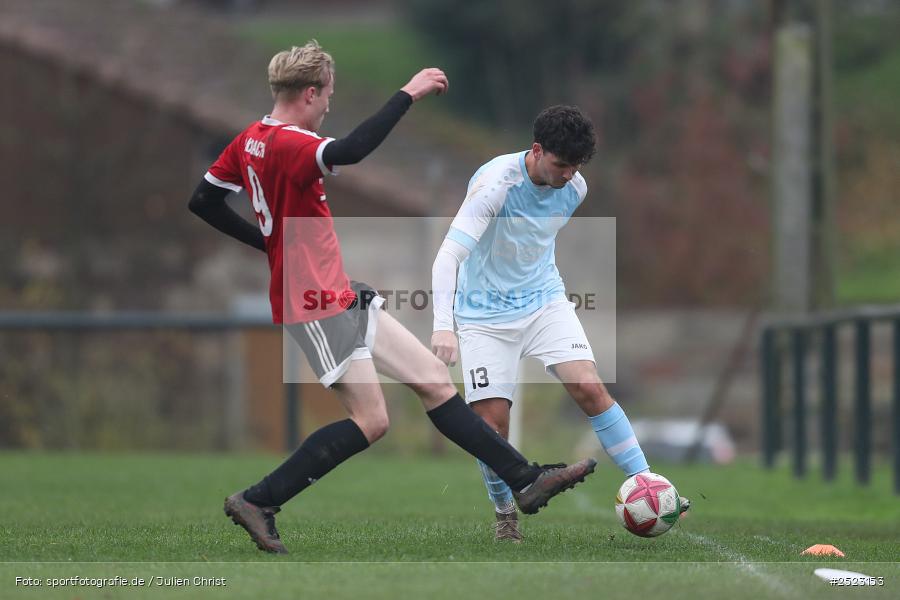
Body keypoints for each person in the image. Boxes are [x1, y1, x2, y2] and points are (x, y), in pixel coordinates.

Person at [188, 42, 596, 554]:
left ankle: (526, 480)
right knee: (372, 421)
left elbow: (202, 200)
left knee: (432, 380)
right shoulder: (292, 143)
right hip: (314, 302)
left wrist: (273, 248)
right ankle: (258, 500)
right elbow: (352, 151)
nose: (329, 106)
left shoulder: (250, 139)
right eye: (329, 96)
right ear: (310, 93)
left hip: (334, 291)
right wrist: (408, 93)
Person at [430, 105, 690, 543]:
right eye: (562, 164)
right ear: (536, 151)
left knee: (590, 387)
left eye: (577, 166)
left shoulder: (575, 188)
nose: (570, 175)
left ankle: (651, 487)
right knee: (491, 427)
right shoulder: (494, 185)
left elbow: (533, 242)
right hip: (482, 317)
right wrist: (442, 326)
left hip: (544, 302)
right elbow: (448, 255)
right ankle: (505, 513)